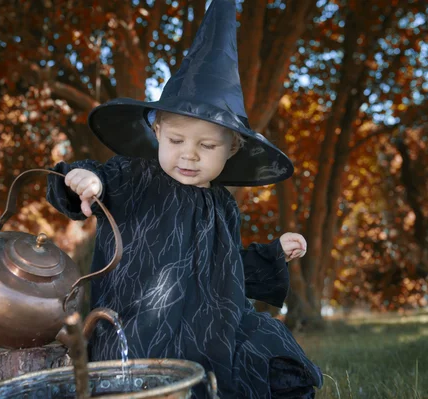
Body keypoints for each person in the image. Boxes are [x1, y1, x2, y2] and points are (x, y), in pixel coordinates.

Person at [47, 1, 323, 397]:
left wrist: (273, 254)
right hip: (137, 329)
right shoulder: (131, 175)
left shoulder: (223, 205)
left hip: (211, 336)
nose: (189, 154)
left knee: (268, 360)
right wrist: (84, 179)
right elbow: (89, 181)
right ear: (157, 132)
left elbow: (227, 270)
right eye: (176, 140)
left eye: (208, 145)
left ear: (231, 150)